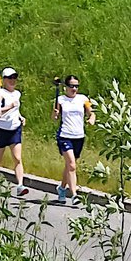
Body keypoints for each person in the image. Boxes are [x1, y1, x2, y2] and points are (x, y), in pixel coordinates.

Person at [52, 74, 94, 206]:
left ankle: (62, 188)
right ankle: (74, 194)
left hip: (79, 136)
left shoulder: (83, 99)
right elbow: (54, 117)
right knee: (72, 165)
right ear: (66, 87)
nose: (74, 89)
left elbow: (91, 112)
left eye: (76, 86)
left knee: (69, 166)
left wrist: (91, 118)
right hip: (65, 135)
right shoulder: (60, 99)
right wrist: (55, 114)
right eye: (71, 86)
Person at [0, 67, 29, 197]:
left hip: (15, 129)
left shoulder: (17, 94)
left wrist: (20, 117)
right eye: (10, 78)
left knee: (17, 158)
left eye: (14, 78)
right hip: (1, 129)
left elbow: (16, 109)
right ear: (4, 80)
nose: (12, 80)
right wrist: (9, 107)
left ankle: (20, 185)